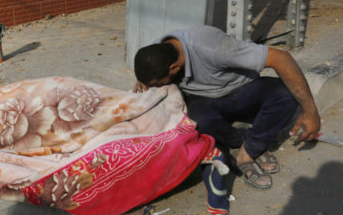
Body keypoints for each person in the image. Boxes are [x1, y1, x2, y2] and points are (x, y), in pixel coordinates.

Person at [132, 25, 320, 189]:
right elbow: (149, 74)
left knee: (285, 95)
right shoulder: (158, 53)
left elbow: (281, 57)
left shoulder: (210, 45)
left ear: (174, 68)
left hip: (243, 90)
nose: (156, 86)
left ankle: (248, 153)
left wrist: (310, 110)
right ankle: (241, 141)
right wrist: (145, 82)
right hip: (205, 100)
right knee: (197, 120)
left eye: (157, 82)